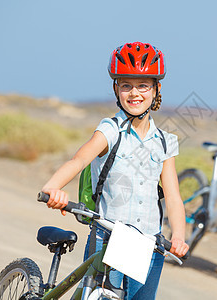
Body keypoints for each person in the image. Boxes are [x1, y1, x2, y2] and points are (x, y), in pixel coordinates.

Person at [41, 42, 189, 299]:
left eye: (143, 85)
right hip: (109, 237)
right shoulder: (110, 130)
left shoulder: (165, 142)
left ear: (156, 88)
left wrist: (178, 236)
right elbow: (78, 160)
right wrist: (53, 188)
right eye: (126, 85)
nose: (135, 93)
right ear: (116, 89)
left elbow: (173, 196)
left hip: (148, 244)